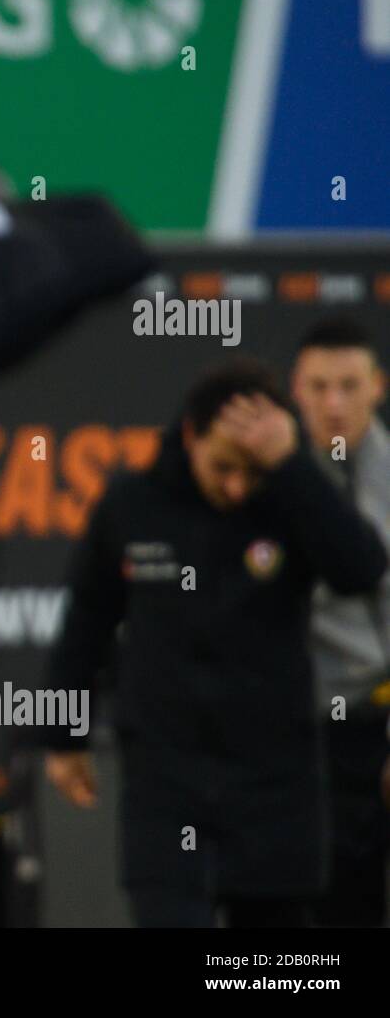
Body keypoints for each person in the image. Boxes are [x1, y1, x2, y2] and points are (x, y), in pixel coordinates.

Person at [43, 359, 388, 928]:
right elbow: (87, 620)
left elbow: (362, 569)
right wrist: (61, 735)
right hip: (165, 778)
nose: (236, 486)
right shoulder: (133, 506)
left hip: (276, 782)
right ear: (190, 437)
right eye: (223, 467)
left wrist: (292, 466)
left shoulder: (289, 497)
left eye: (251, 471)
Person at [290, 317, 390, 926]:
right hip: (306, 733)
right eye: (319, 386)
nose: (334, 404)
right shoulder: (265, 483)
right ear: (295, 390)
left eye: (350, 386)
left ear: (378, 386)